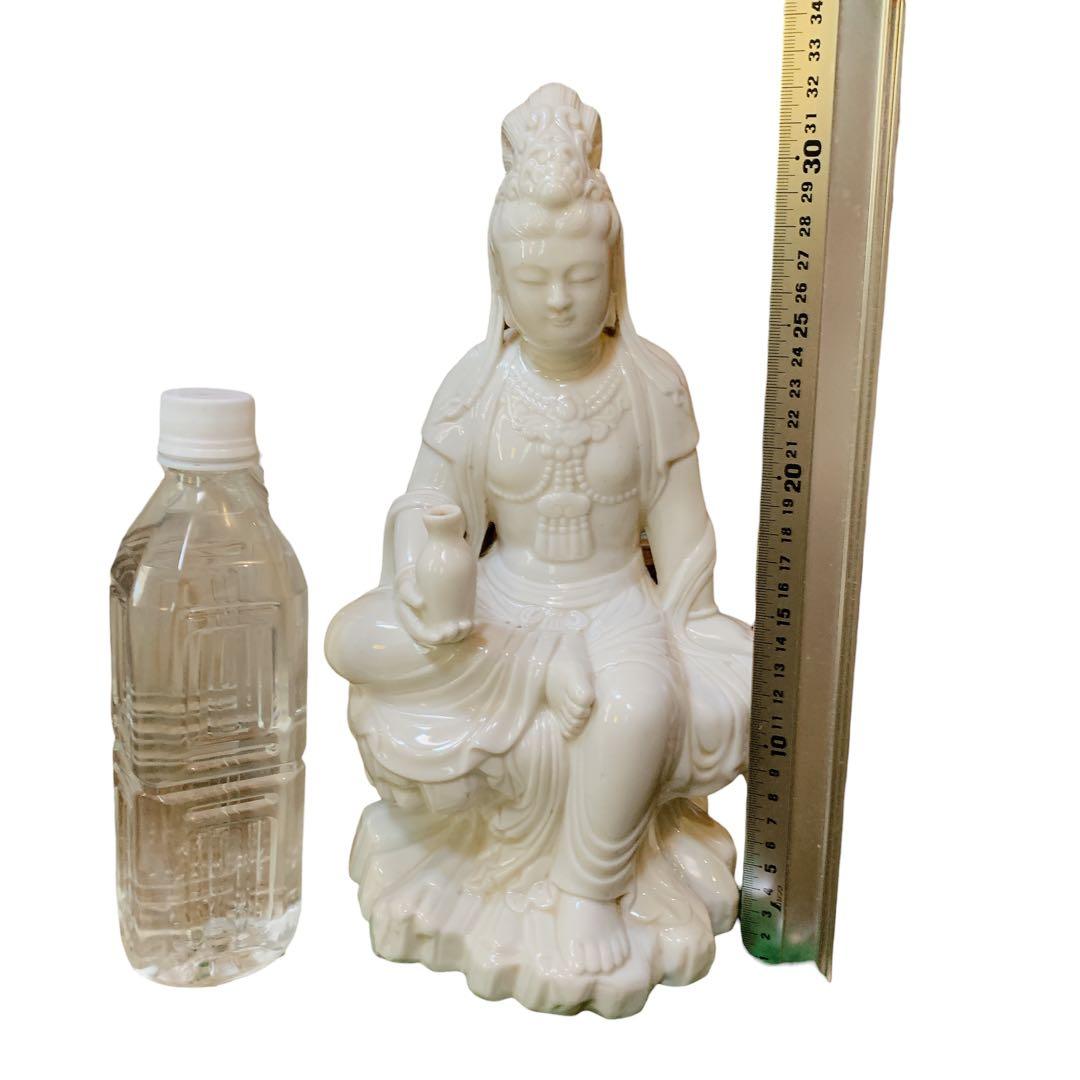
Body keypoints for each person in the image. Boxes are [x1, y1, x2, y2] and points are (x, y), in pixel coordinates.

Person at [326, 83, 752, 1016]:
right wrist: (427, 574)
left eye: (582, 276)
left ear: (615, 272)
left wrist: (698, 630)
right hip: (499, 611)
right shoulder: (475, 388)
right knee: (348, 640)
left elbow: (685, 549)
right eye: (536, 277)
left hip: (611, 602)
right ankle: (514, 748)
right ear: (499, 280)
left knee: (638, 704)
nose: (559, 299)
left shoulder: (652, 386)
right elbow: (423, 516)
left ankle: (588, 891)